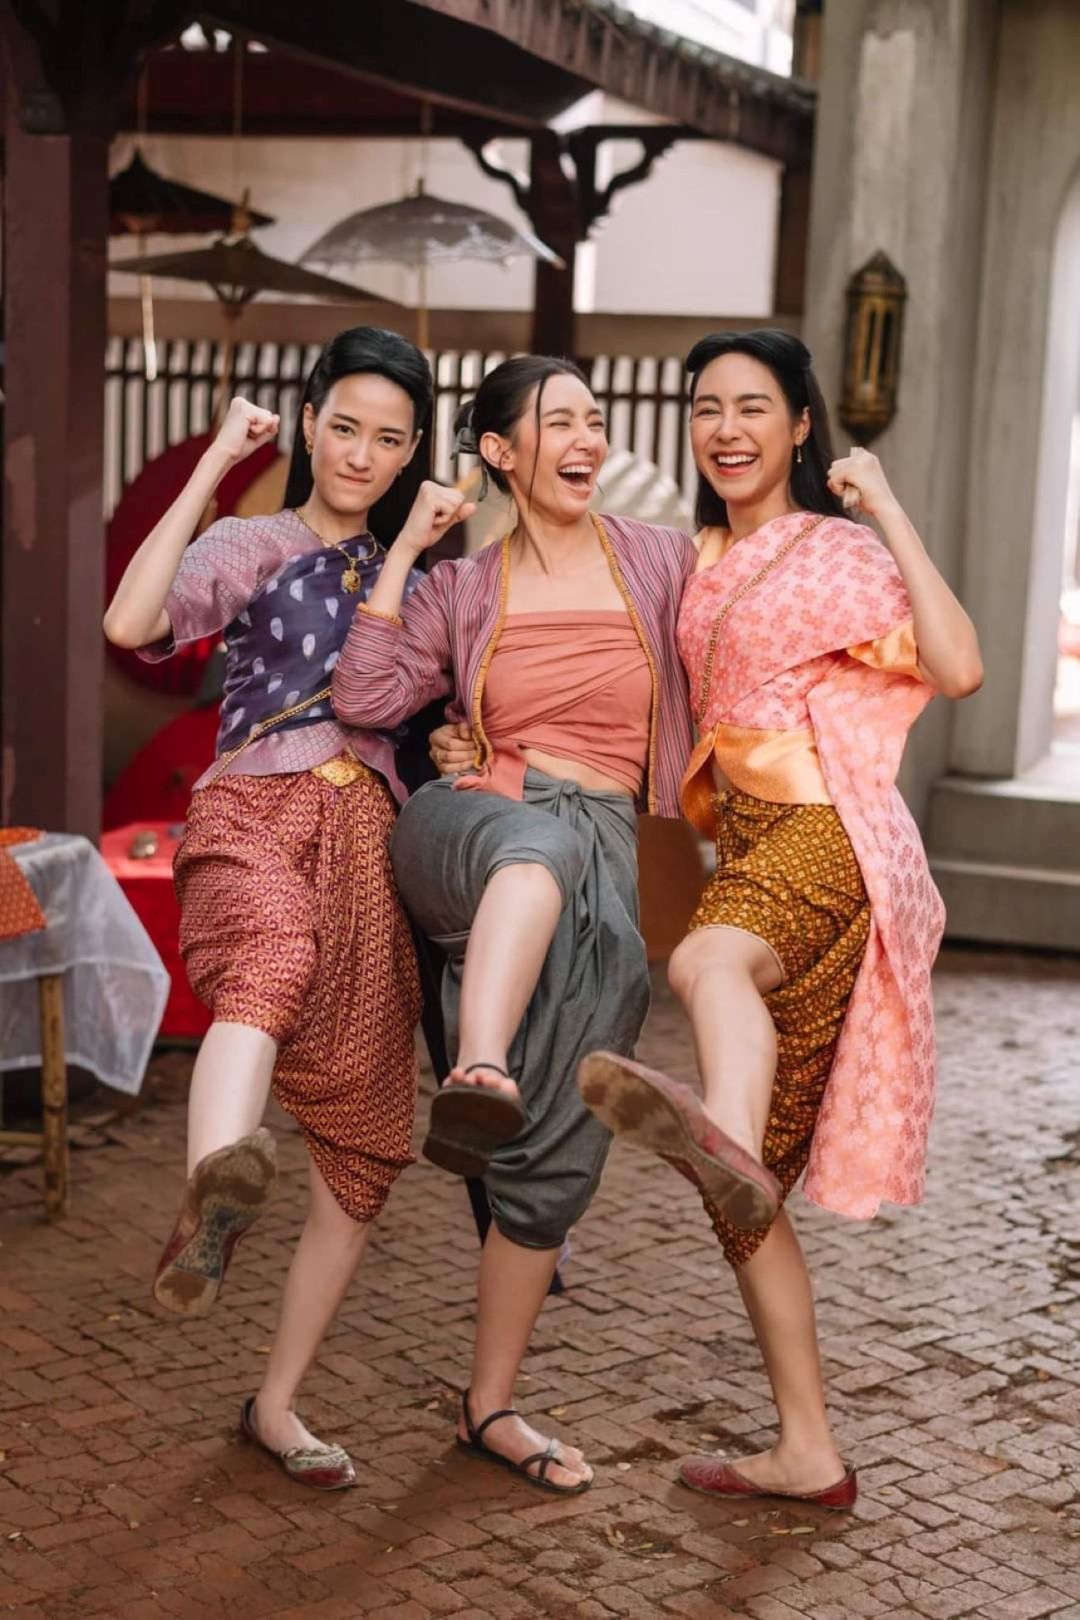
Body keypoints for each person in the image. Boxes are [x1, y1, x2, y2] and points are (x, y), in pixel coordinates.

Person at [579, 329, 983, 1510]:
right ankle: (809, 1450)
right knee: (748, 1206)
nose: (727, 429)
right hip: (750, 842)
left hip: (828, 833)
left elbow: (958, 667)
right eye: (707, 407)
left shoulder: (838, 549)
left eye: (754, 406)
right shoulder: (687, 557)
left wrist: (887, 506)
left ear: (801, 426)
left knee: (706, 961)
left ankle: (723, 1139)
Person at [332, 356, 695, 1494]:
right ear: (499, 451)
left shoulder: (660, 562)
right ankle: (477, 1065)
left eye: (596, 419)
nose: (587, 438)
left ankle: (488, 1408)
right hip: (470, 824)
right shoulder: (460, 586)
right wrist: (405, 552)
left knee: (557, 1151)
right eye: (559, 421)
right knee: (533, 851)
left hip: (602, 856)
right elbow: (367, 699)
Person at [103, 326, 445, 1488]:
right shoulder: (255, 541)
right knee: (268, 964)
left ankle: (278, 1404)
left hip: (369, 850)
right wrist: (214, 461)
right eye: (343, 426)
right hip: (255, 811)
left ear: (410, 451)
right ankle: (214, 1192)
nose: (360, 454)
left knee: (362, 1155)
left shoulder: (420, 575)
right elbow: (129, 624)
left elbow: (433, 709)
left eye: (388, 438)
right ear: (307, 423)